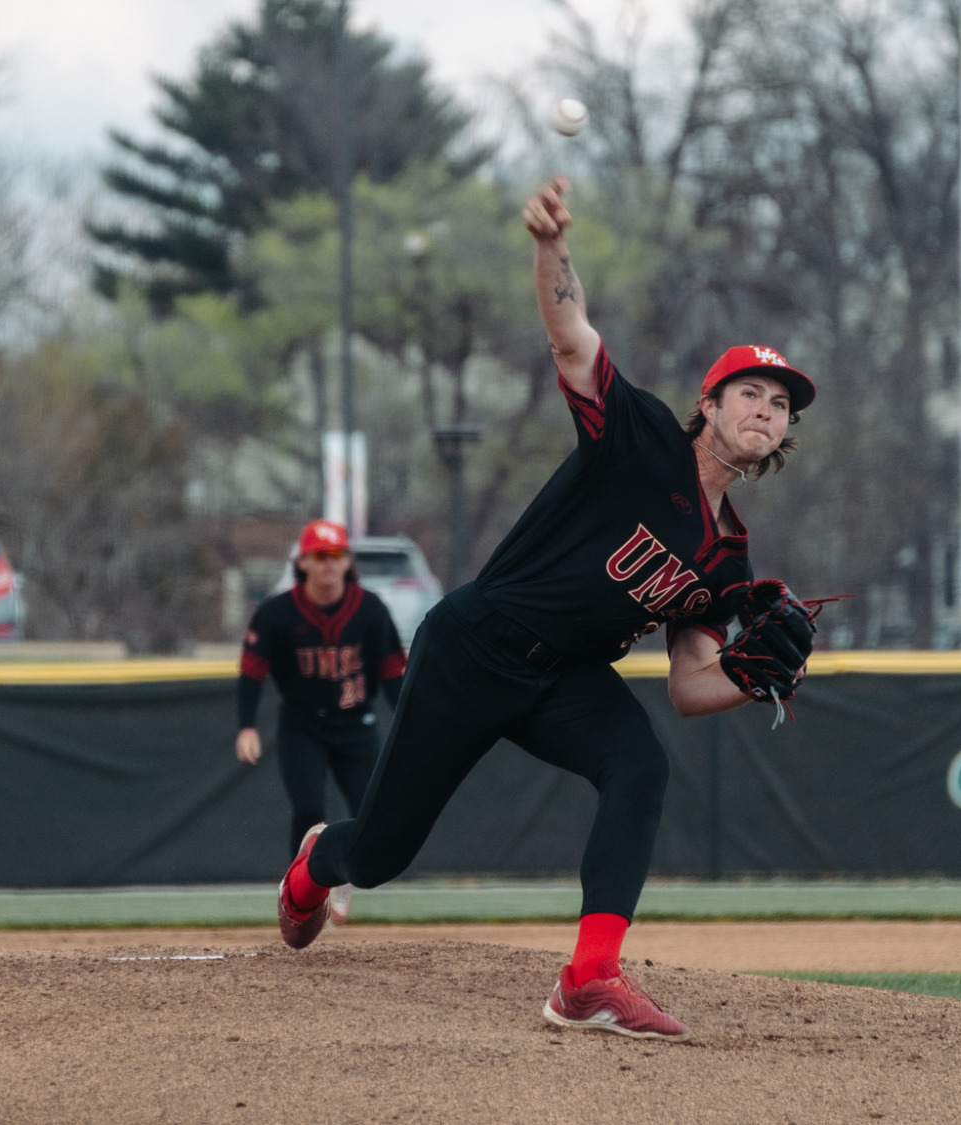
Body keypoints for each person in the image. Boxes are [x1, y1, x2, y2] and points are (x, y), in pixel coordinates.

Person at [273, 176, 818, 1042]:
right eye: (749, 391)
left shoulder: (730, 558)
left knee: (641, 766)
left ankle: (588, 977)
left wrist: (754, 677)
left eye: (780, 402)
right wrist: (550, 244)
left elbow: (689, 685)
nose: (765, 407)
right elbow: (571, 340)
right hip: (476, 644)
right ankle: (312, 866)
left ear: (784, 434)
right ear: (708, 406)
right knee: (378, 854)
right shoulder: (640, 436)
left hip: (566, 676)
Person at [236, 518, 406, 927]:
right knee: (309, 808)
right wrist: (246, 726)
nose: (328, 564)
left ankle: (340, 874)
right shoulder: (277, 613)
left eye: (336, 555)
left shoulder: (369, 609)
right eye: (319, 556)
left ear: (348, 561)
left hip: (357, 724)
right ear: (303, 563)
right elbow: (251, 671)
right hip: (303, 725)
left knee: (373, 812)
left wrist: (411, 724)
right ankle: (301, 902)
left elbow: (393, 676)